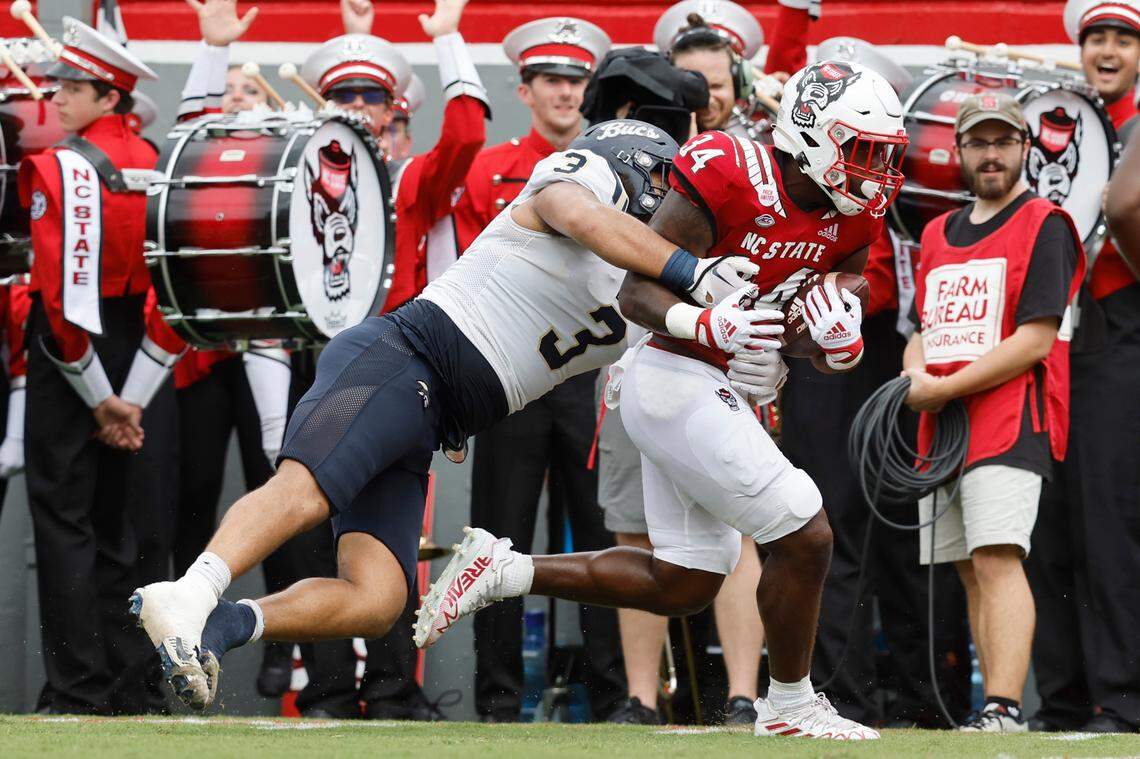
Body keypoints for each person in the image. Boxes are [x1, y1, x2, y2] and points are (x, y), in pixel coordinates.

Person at [419, 61, 908, 741]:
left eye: (886, 154)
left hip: (714, 382)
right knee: (805, 526)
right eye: (863, 151)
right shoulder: (729, 169)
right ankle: (789, 702)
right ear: (811, 133)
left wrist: (830, 337)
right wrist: (713, 327)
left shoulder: (854, 215)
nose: (876, 170)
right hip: (670, 371)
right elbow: (635, 292)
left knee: (685, 579)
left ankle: (504, 568)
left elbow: (816, 323)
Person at [779, 37, 972, 728]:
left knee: (906, 527)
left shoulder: (915, 167)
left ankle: (929, 694)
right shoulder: (802, 172)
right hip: (828, 352)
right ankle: (841, 690)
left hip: (902, 349)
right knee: (832, 520)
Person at [901, 93, 1084, 733]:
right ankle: (992, 713)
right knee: (967, 567)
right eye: (979, 142)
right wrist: (914, 374)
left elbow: (1036, 339)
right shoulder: (934, 233)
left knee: (997, 557)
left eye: (1004, 141)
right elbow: (920, 329)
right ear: (958, 151)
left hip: (1011, 417)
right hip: (943, 426)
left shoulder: (1046, 223)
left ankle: (1005, 708)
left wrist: (942, 388)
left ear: (1025, 149)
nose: (991, 153)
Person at [15, 15, 176, 715]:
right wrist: (132, 398)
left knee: (65, 520)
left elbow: (55, 293)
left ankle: (78, 688)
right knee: (125, 527)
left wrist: (100, 397)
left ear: (109, 98)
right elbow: (177, 296)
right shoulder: (159, 162)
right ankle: (130, 684)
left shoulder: (54, 166)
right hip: (139, 351)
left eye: (73, 89)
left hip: (72, 352)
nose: (55, 98)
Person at [1027, 0, 1140, 734]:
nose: (1105, 49)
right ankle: (1063, 697)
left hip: (1120, 334)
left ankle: (1121, 698)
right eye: (1095, 37)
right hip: (1051, 343)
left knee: (1109, 525)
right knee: (1049, 528)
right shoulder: (1055, 119)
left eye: (1122, 38)